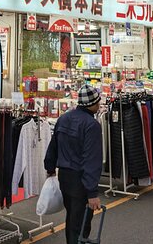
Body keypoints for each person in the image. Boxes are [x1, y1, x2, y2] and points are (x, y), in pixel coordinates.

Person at [45, 85, 103, 244]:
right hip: (81, 181)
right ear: (91, 104)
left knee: (72, 218)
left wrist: (50, 168)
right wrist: (92, 193)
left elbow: (53, 147)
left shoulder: (64, 118)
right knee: (81, 224)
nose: (99, 104)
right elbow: (91, 161)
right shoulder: (92, 126)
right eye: (97, 101)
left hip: (64, 177)